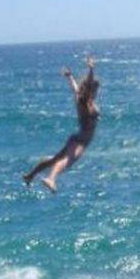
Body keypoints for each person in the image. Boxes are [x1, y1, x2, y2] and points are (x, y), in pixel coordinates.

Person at [23, 56, 100, 192]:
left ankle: (30, 175)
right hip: (81, 141)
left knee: (55, 159)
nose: (97, 92)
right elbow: (87, 86)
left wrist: (70, 77)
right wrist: (91, 69)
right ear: (91, 90)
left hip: (77, 138)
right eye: (95, 89)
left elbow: (75, 88)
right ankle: (51, 179)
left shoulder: (81, 98)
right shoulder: (85, 103)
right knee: (67, 161)